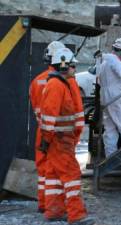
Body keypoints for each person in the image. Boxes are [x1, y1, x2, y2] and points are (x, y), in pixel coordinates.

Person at [40, 48, 93, 225]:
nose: (74, 69)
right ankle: (76, 215)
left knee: (55, 175)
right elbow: (48, 117)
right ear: (63, 66)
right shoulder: (56, 86)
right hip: (59, 139)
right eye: (72, 66)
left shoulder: (61, 84)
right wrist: (47, 140)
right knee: (71, 175)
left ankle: (54, 211)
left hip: (60, 139)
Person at [29, 41, 66, 213]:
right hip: (58, 134)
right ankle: (55, 207)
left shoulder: (37, 81)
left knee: (43, 168)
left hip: (42, 130)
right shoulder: (64, 82)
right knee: (57, 170)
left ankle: (43, 204)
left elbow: (36, 106)